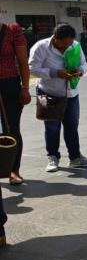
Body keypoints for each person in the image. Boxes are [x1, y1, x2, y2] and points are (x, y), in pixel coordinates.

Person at [29, 23, 87, 171]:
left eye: (69, 43)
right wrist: (55, 73)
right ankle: (52, 157)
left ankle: (75, 158)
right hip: (49, 93)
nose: (67, 46)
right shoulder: (41, 47)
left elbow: (84, 64)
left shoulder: (75, 46)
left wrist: (80, 71)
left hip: (71, 93)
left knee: (72, 126)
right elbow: (33, 68)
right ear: (55, 38)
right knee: (52, 127)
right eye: (63, 44)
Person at [0, 19, 31, 185]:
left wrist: (25, 88)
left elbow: (22, 62)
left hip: (9, 86)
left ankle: (13, 170)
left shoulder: (12, 30)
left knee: (11, 128)